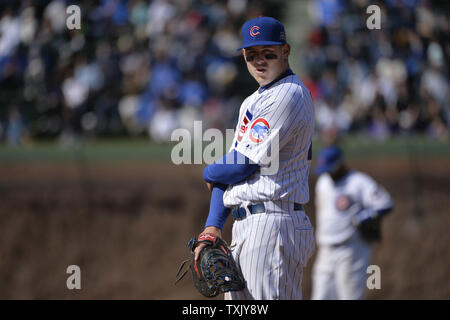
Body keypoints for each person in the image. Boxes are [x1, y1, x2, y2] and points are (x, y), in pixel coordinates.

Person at [194, 16, 315, 300]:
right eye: (251, 55)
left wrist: (209, 172)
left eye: (268, 54)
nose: (259, 62)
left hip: (274, 223)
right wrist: (212, 226)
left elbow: (239, 165)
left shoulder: (288, 94)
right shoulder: (253, 100)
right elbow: (233, 168)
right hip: (249, 225)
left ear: (286, 51)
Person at [311, 146, 394, 300]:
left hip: (351, 249)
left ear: (340, 164)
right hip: (326, 249)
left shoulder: (358, 181)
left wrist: (363, 217)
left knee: (350, 297)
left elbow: (385, 203)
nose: (328, 172)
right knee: (320, 296)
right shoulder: (323, 182)